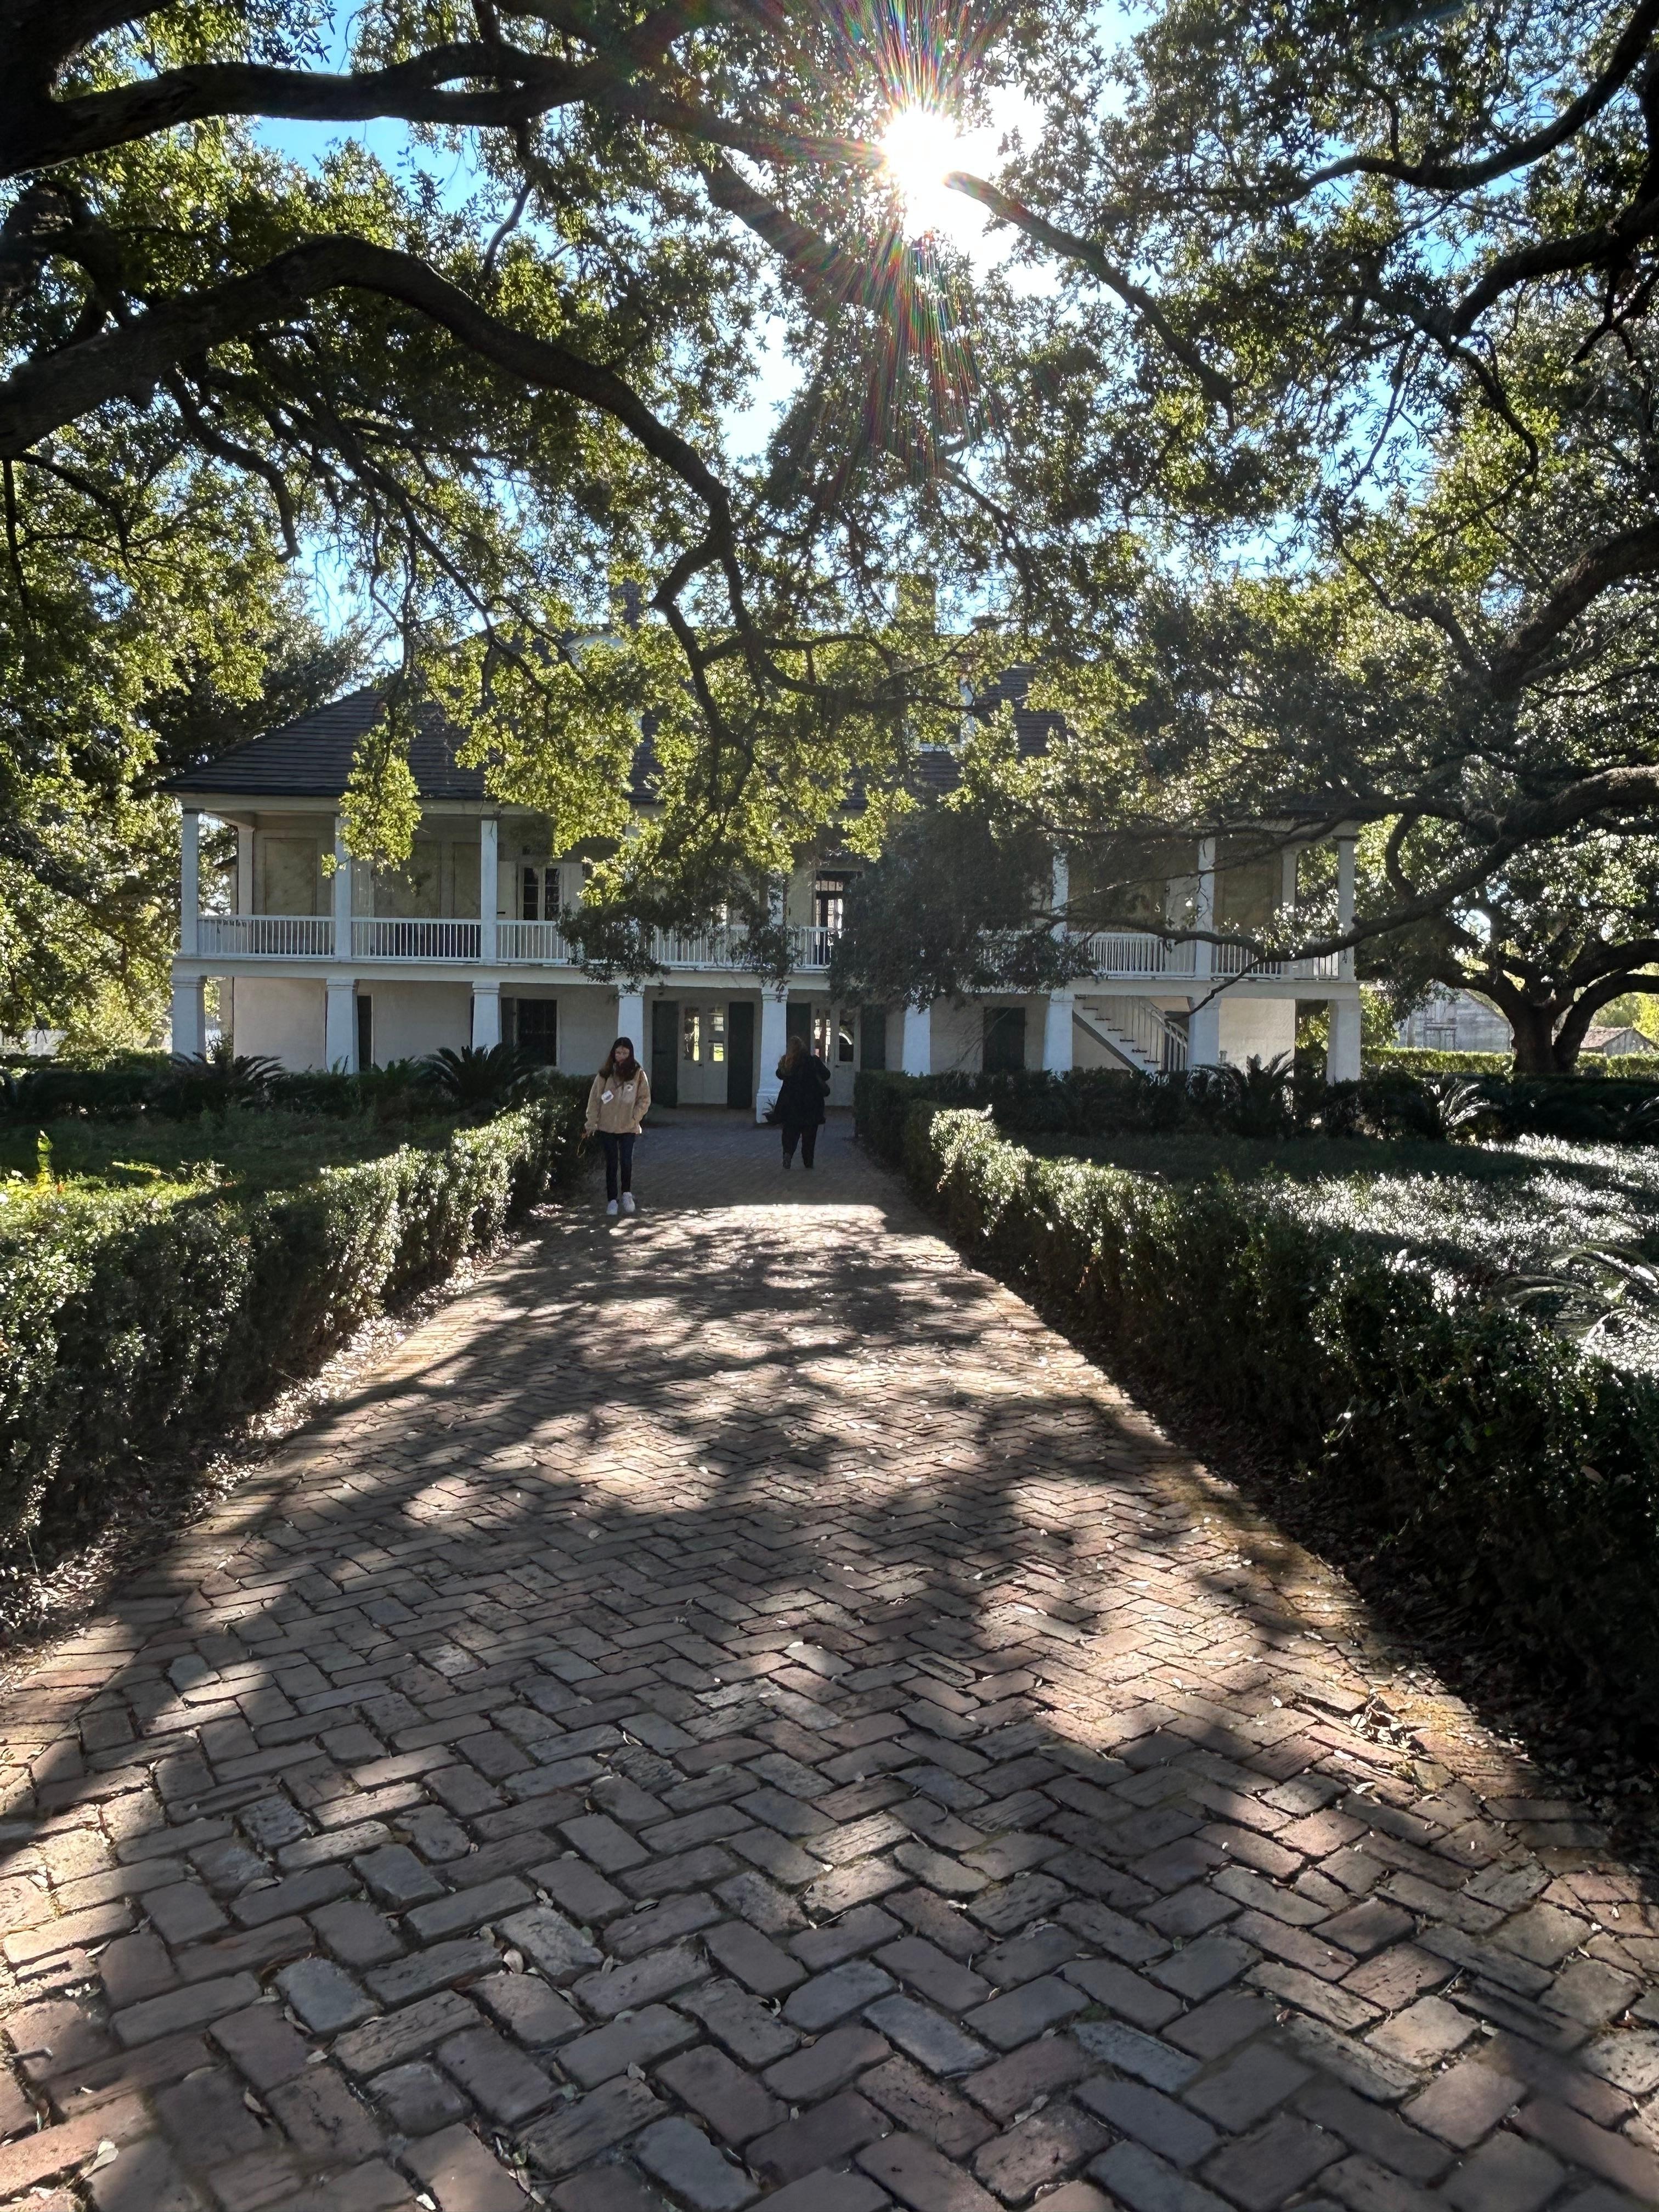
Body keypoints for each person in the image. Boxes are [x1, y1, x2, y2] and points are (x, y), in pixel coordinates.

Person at [584, 1036, 651, 1215]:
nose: (621, 1056)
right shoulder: (605, 1073)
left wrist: (634, 1117)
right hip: (607, 1127)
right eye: (618, 1052)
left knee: (626, 1161)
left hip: (628, 1127)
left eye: (625, 1053)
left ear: (630, 1054)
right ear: (613, 1053)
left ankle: (627, 1194)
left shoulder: (637, 1073)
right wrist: (591, 1123)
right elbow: (595, 1100)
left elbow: (644, 1099)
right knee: (612, 1163)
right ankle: (612, 1199)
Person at [775, 1031, 831, 1169]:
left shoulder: (787, 1063)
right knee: (809, 1136)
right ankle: (808, 1161)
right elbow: (827, 1075)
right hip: (811, 1105)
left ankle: (788, 1153)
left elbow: (779, 1075)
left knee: (789, 1133)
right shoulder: (813, 1061)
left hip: (792, 1105)